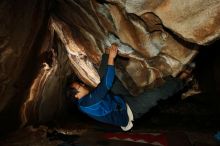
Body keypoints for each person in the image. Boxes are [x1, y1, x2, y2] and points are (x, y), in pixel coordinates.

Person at [66, 44, 186, 131]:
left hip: (119, 99)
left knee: (104, 73)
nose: (82, 84)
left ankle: (107, 52)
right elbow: (106, 84)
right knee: (154, 95)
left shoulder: (84, 101)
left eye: (80, 83)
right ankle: (181, 81)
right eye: (79, 86)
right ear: (76, 95)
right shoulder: (88, 103)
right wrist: (112, 58)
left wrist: (107, 56)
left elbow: (104, 85)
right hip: (129, 112)